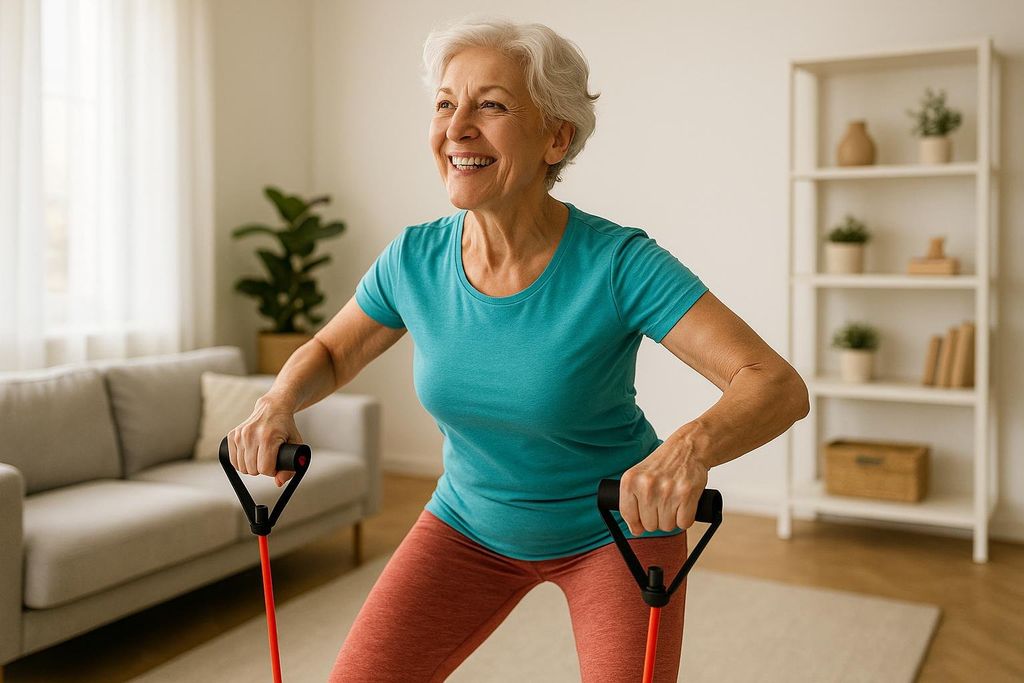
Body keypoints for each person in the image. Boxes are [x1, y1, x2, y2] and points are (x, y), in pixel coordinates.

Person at [226, 16, 810, 683]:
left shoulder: (618, 262)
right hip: (466, 523)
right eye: (446, 103)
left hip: (613, 529)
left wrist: (689, 447)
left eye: (492, 105)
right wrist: (276, 401)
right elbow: (331, 352)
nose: (457, 127)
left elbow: (774, 383)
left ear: (555, 138)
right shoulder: (414, 259)